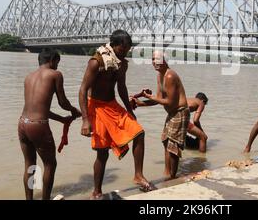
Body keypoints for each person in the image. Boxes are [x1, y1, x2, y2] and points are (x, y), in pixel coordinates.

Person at [78, 30, 154, 199]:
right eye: (122, 49)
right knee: (102, 152)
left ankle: (138, 176)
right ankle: (97, 192)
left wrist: (129, 110)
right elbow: (82, 90)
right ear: (113, 45)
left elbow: (121, 88)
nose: (124, 52)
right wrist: (85, 120)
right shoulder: (96, 62)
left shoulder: (122, 64)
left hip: (112, 105)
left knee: (139, 133)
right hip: (96, 107)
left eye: (127, 49)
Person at [18, 49, 81, 200]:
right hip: (38, 126)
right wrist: (75, 111)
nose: (57, 67)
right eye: (57, 63)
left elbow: (38, 109)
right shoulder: (55, 75)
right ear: (52, 60)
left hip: (22, 123)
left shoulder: (28, 77)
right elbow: (63, 102)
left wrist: (62, 120)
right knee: (50, 165)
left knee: (30, 164)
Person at [132, 51, 190, 180]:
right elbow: (158, 99)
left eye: (157, 59)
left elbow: (170, 102)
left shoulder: (169, 76)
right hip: (171, 112)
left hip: (180, 112)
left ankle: (172, 177)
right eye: (152, 59)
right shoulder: (159, 76)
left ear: (164, 60)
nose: (154, 62)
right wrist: (141, 103)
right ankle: (166, 172)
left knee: (173, 146)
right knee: (165, 141)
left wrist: (149, 97)